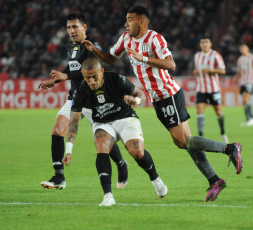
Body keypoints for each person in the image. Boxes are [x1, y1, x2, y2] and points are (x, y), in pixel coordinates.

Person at [82, 5, 243, 202]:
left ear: (141, 22)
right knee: (182, 141)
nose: (125, 23)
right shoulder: (126, 39)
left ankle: (230, 149)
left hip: (168, 94)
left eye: (129, 20)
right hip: (157, 99)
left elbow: (171, 64)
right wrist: (95, 51)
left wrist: (145, 58)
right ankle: (214, 179)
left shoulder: (154, 39)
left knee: (184, 141)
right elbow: (110, 59)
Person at [38, 13, 128, 190]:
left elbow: (91, 71)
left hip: (93, 100)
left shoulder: (91, 46)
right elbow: (71, 68)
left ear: (84, 27)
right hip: (75, 98)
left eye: (75, 27)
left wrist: (65, 76)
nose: (71, 31)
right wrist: (56, 79)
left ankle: (121, 164)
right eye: (69, 28)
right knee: (57, 130)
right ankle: (59, 177)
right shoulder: (71, 47)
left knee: (104, 139)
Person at [62, 57, 167, 206]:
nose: (91, 81)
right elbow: (73, 121)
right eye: (87, 78)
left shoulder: (116, 79)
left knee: (136, 152)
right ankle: (108, 195)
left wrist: (135, 101)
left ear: (102, 71)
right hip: (103, 122)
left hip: (125, 118)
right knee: (101, 147)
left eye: (94, 77)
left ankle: (156, 179)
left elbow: (141, 95)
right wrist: (69, 150)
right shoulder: (81, 90)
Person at [192, 37, 228, 143]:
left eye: (206, 42)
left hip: (214, 89)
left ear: (211, 44)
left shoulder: (215, 55)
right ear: (200, 44)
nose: (204, 44)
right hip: (201, 89)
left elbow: (223, 70)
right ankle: (201, 137)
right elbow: (196, 70)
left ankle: (223, 133)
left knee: (218, 111)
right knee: (199, 111)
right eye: (202, 42)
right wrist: (195, 72)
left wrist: (211, 70)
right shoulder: (197, 56)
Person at [234, 42, 253, 127]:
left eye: (244, 48)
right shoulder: (240, 59)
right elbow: (239, 71)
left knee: (246, 98)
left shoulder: (251, 57)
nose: (243, 49)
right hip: (243, 82)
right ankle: (248, 119)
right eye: (241, 48)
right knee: (244, 101)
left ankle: (250, 118)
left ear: (248, 49)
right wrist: (236, 81)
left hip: (250, 81)